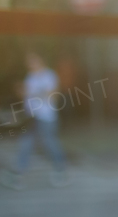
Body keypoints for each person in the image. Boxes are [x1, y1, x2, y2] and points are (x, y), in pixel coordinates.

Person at [3, 51, 70, 189]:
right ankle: (18, 176)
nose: (29, 64)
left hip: (47, 117)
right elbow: (27, 98)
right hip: (31, 117)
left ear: (40, 60)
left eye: (32, 60)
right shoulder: (30, 77)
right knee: (25, 144)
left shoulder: (49, 75)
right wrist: (20, 91)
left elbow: (53, 95)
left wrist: (31, 92)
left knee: (50, 144)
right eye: (28, 61)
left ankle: (61, 170)